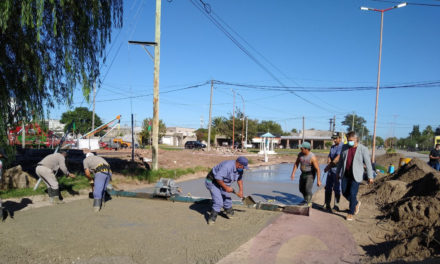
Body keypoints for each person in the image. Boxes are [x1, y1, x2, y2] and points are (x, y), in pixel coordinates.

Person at [336, 131, 374, 221]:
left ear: (356, 139)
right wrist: (338, 172)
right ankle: (356, 204)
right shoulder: (345, 147)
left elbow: (368, 163)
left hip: (356, 175)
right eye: (348, 140)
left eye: (351, 140)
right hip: (346, 174)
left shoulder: (363, 149)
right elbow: (341, 161)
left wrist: (370, 176)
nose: (349, 142)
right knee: (345, 192)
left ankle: (350, 213)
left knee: (353, 193)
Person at [205, 156, 248, 225]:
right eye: (243, 167)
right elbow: (218, 178)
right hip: (212, 182)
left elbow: (239, 180)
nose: (243, 169)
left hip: (223, 182)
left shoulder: (240, 169)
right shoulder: (227, 166)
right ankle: (211, 219)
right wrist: (226, 188)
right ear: (239, 164)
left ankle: (229, 213)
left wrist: (241, 191)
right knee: (218, 202)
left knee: (227, 198)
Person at [290, 141, 321, 207]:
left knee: (307, 189)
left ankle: (309, 202)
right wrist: (293, 173)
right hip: (303, 173)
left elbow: (318, 169)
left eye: (302, 148)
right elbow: (296, 164)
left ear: (306, 149)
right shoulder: (300, 154)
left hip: (310, 174)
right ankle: (306, 199)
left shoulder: (312, 157)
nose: (300, 150)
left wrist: (318, 180)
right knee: (301, 189)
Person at [323, 132, 343, 212]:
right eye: (333, 138)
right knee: (328, 187)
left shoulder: (342, 147)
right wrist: (328, 160)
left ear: (340, 138)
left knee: (337, 188)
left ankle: (336, 205)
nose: (334, 140)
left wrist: (327, 167)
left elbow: (336, 159)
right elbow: (330, 156)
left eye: (336, 138)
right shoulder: (333, 147)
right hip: (331, 170)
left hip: (338, 170)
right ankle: (327, 204)